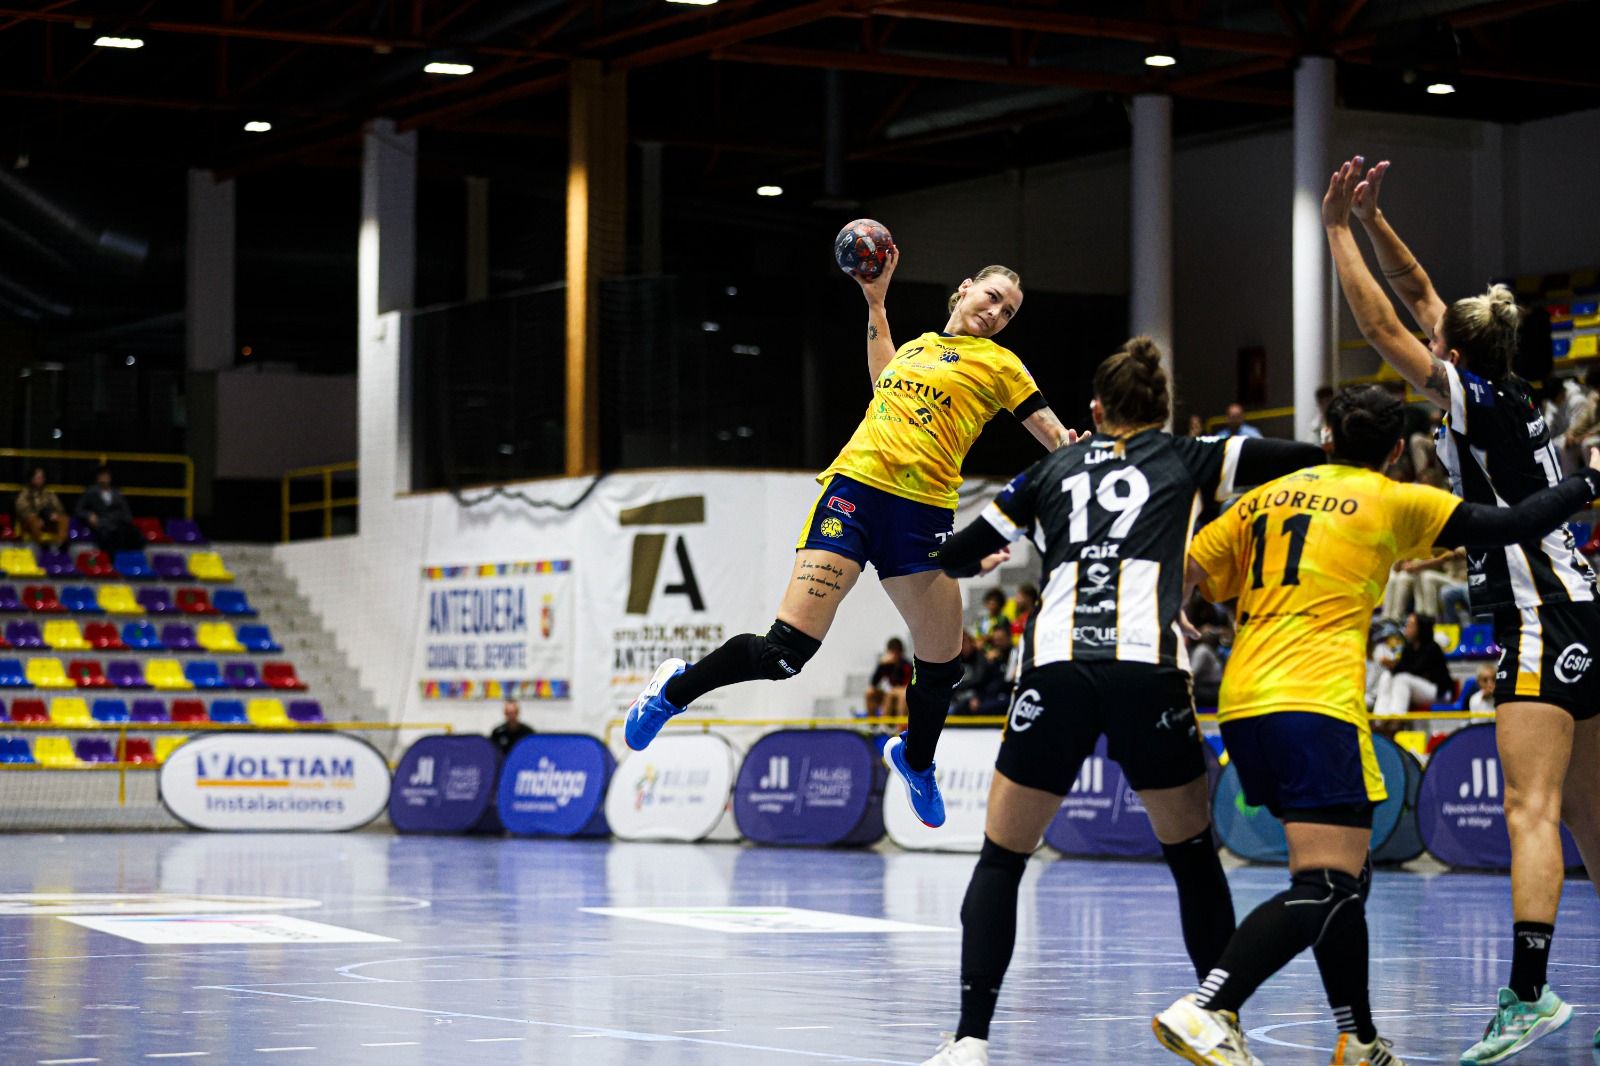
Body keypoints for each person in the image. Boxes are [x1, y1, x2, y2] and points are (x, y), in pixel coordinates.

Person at [1154, 385, 1600, 1066]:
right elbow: (1515, 525)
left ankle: (1358, 1038)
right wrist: (1590, 481)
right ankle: (1210, 1005)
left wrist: (1174, 610)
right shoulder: (1391, 497)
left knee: (1343, 877)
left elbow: (1184, 569)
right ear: (1396, 452)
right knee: (1329, 884)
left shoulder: (1260, 498)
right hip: (1314, 701)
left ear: (1325, 436)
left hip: (1242, 704)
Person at [917, 337, 1327, 1066]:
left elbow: (954, 553)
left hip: (1058, 672)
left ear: (1096, 410)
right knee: (1194, 859)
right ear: (1162, 412)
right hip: (1148, 670)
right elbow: (1301, 460)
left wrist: (970, 553)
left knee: (1002, 860)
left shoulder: (1046, 470)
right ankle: (1214, 1020)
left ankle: (971, 1039)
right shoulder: (1191, 456)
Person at [624, 251, 1080, 829]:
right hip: (855, 494)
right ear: (964, 291)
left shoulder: (1001, 364)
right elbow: (883, 384)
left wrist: (1076, 456)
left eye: (1009, 311)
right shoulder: (914, 348)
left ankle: (915, 761)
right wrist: (875, 303)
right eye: (991, 297)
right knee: (784, 654)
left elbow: (1047, 429)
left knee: (943, 666)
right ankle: (673, 690)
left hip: (923, 516)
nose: (997, 313)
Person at [1325, 155, 1600, 1062]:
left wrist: (1335, 228)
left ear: (1450, 352)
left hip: (1535, 614)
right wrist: (1375, 217)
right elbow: (1419, 291)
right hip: (1588, 609)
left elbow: (1379, 316)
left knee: (1531, 809)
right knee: (1593, 822)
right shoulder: (1516, 393)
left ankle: (1526, 994)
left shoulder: (1470, 403)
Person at [1373, 612, 1453, 716]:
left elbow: (1415, 670)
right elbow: (1401, 668)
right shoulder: (1408, 647)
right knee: (1386, 676)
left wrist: (1393, 665)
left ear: (1420, 628)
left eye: (1411, 625)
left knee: (1402, 679)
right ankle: (1380, 718)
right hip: (1416, 687)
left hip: (1439, 692)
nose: (1406, 628)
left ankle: (1396, 719)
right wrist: (1393, 666)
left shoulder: (1432, 648)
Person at [1382, 548, 1467, 623]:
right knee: (1395, 577)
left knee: (1426, 576)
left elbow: (1446, 557)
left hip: (1460, 581)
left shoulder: (1459, 544)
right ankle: (1390, 618)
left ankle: (1430, 618)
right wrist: (1403, 559)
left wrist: (1418, 565)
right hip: (1445, 578)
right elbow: (1397, 568)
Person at [74, 466, 142, 555]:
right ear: (97, 478)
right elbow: (78, 509)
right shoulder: (91, 492)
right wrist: (89, 515)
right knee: (109, 535)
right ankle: (111, 560)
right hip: (102, 524)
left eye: (106, 476)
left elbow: (126, 512)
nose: (104, 478)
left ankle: (132, 561)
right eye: (102, 476)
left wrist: (125, 521)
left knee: (135, 533)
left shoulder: (117, 493)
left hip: (118, 523)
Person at [14, 467, 68, 550]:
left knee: (63, 519)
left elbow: (59, 508)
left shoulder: (49, 494)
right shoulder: (25, 494)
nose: (41, 480)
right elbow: (21, 509)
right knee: (33, 520)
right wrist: (37, 518)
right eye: (38, 477)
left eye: (42, 477)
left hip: (47, 521)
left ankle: (61, 545)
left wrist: (54, 515)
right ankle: (42, 546)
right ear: (32, 479)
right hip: (30, 523)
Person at [864, 637, 912, 719]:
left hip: (902, 693)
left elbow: (906, 685)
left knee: (894, 694)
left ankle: (897, 726)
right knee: (869, 692)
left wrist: (897, 665)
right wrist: (881, 665)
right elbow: (873, 683)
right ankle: (873, 725)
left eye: (894, 652)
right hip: (889, 692)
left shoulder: (906, 665)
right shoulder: (886, 665)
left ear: (900, 652)